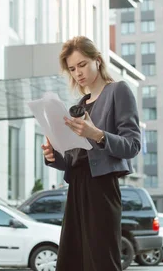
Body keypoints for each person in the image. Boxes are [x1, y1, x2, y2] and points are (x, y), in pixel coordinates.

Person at [42, 36, 141, 271]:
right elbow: (76, 158)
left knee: (101, 260)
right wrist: (53, 157)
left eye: (82, 64)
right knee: (72, 259)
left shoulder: (118, 90)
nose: (78, 72)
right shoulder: (79, 104)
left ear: (97, 60)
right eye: (72, 68)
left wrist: (97, 134)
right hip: (77, 186)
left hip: (102, 187)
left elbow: (133, 145)